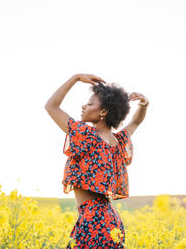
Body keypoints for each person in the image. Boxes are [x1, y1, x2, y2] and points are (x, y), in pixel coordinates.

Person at [44, 73, 149, 249]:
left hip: (93, 221)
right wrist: (145, 104)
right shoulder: (118, 142)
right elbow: (136, 121)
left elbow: (51, 107)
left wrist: (75, 78)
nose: (84, 106)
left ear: (103, 112)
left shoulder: (87, 136)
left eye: (90, 103)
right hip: (108, 221)